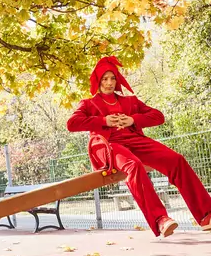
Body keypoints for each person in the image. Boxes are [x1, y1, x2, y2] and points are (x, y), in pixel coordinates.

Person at [67, 56, 211, 238]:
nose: (109, 83)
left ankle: (206, 215)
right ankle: (160, 220)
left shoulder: (130, 102)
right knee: (133, 165)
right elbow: (72, 123)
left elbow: (158, 116)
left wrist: (133, 119)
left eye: (112, 78)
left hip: (135, 140)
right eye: (105, 79)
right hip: (108, 145)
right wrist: (103, 121)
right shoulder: (88, 103)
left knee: (176, 159)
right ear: (98, 80)